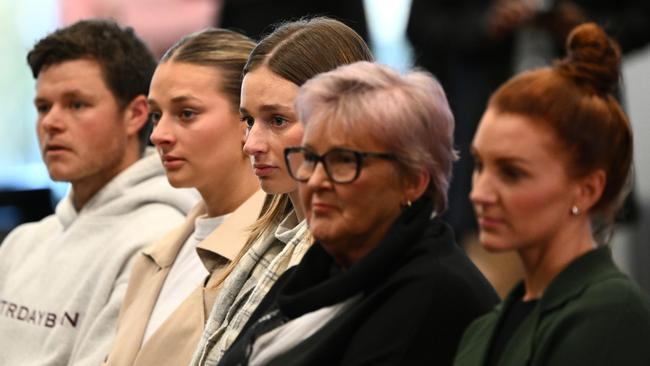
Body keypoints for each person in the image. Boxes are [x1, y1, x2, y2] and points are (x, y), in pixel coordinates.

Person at [217, 61, 499, 365]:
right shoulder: (314, 271)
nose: (317, 180)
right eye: (311, 157)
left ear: (413, 182)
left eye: (344, 161)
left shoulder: (434, 295)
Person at [0, 19, 196, 366]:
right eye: (43, 107)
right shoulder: (22, 244)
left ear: (136, 114)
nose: (51, 122)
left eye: (76, 104)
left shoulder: (160, 242)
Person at [454, 23, 650, 366]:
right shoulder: (484, 327)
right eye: (479, 165)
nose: (479, 193)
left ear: (587, 190)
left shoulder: (611, 314)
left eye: (512, 173)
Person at [191, 17, 374, 366]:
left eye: (278, 120)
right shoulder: (268, 238)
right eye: (248, 120)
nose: (251, 144)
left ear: (344, 119)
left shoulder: (352, 253)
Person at [103, 28, 266, 366]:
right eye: (156, 115)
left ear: (247, 120)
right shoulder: (157, 254)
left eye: (186, 113)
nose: (159, 135)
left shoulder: (274, 256)